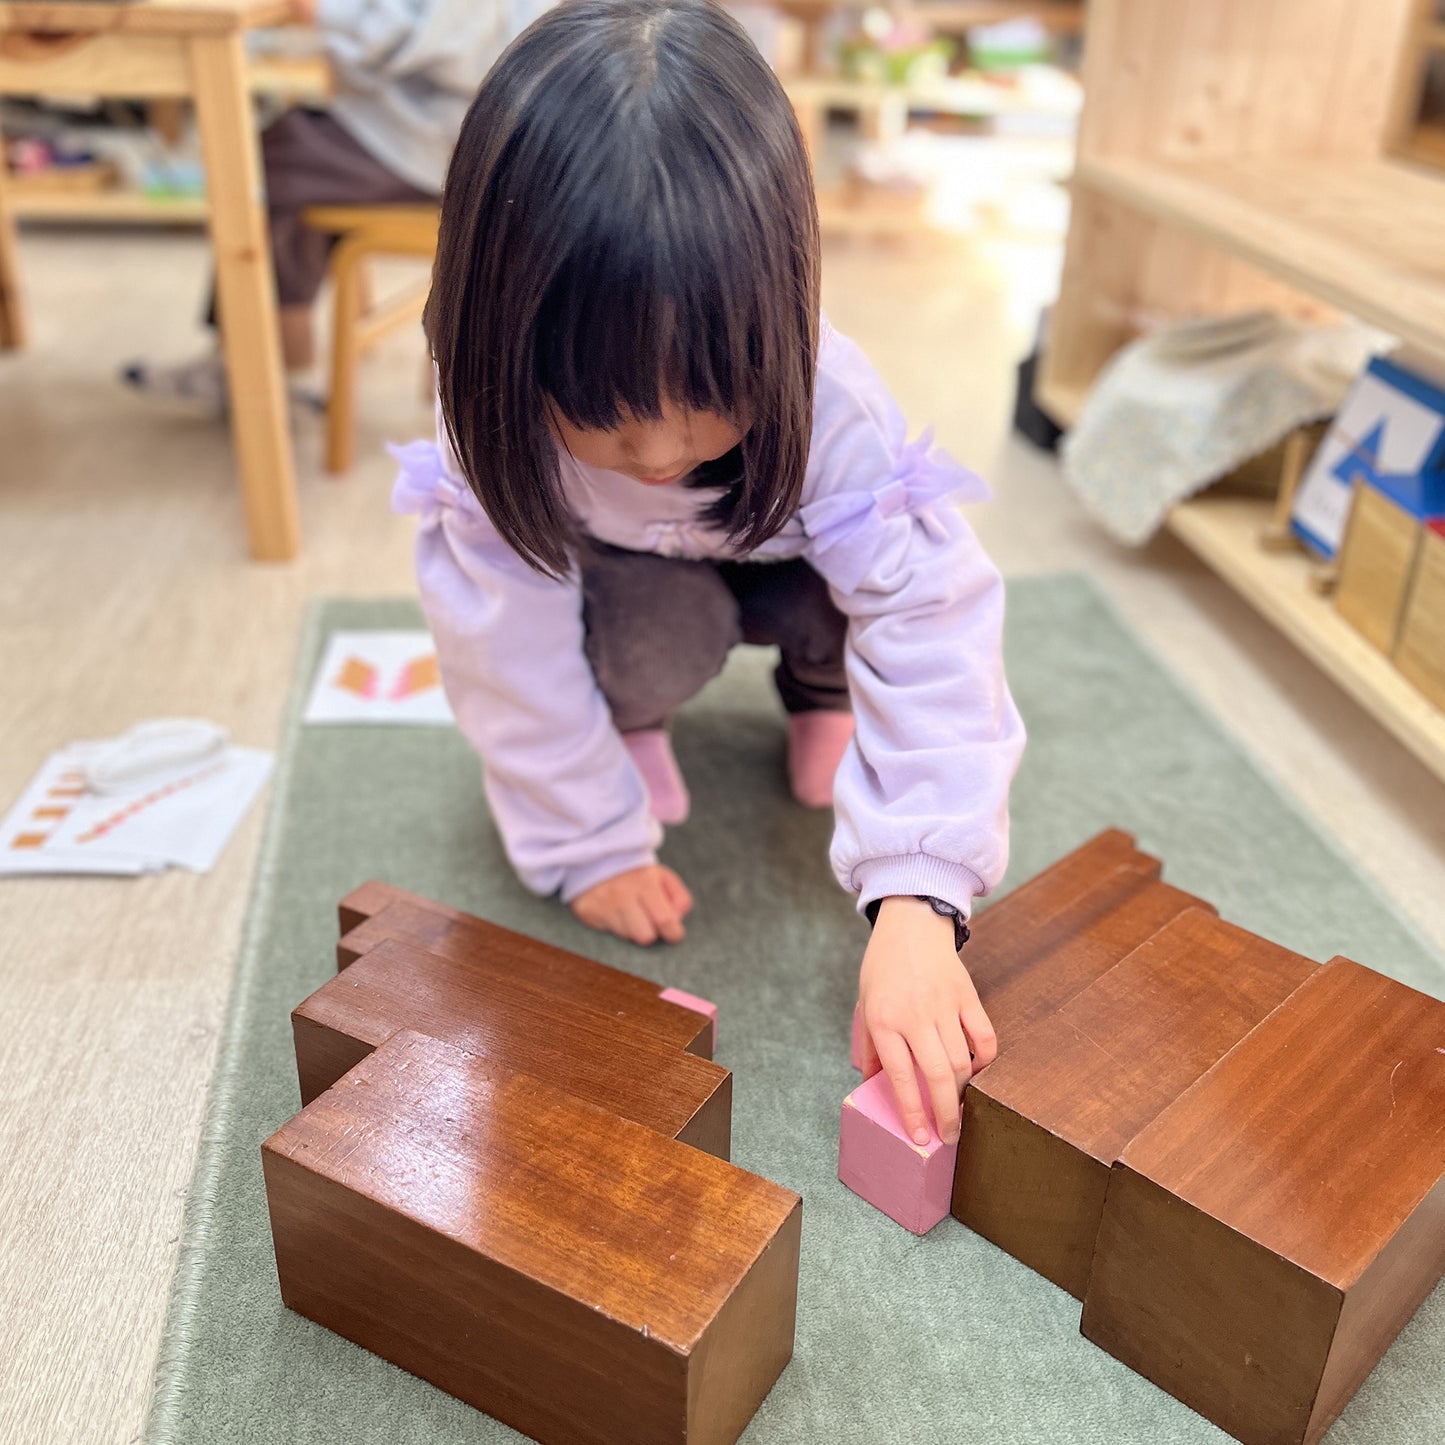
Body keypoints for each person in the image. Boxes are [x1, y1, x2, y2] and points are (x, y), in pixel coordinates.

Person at [392, 0, 1026, 1149]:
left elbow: (930, 619)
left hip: (789, 569)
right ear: (500, 343)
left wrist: (918, 891)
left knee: (857, 604)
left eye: (705, 417)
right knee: (645, 638)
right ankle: (634, 727)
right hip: (635, 584)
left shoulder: (836, 404)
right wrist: (588, 839)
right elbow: (502, 649)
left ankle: (818, 698)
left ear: (780, 310)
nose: (659, 457)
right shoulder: (481, 414)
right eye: (603, 423)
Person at [125, 0, 546, 408]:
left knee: (259, 165)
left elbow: (422, 41)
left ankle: (254, 361)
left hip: (435, 144)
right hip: (440, 134)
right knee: (290, 152)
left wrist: (323, 11)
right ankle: (262, 352)